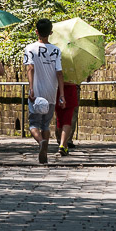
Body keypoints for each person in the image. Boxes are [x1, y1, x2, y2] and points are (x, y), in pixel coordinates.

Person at [23, 18, 65, 165]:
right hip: (51, 92)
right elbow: (59, 73)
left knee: (33, 124)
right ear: (51, 32)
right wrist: (62, 95)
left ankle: (41, 142)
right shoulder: (56, 50)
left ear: (36, 32)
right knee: (46, 124)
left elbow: (30, 68)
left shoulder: (29, 48)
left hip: (37, 92)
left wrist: (31, 88)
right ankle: (45, 150)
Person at [56, 82, 80, 156]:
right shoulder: (73, 71)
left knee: (60, 120)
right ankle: (63, 145)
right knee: (67, 120)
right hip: (70, 89)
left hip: (57, 90)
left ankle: (63, 143)